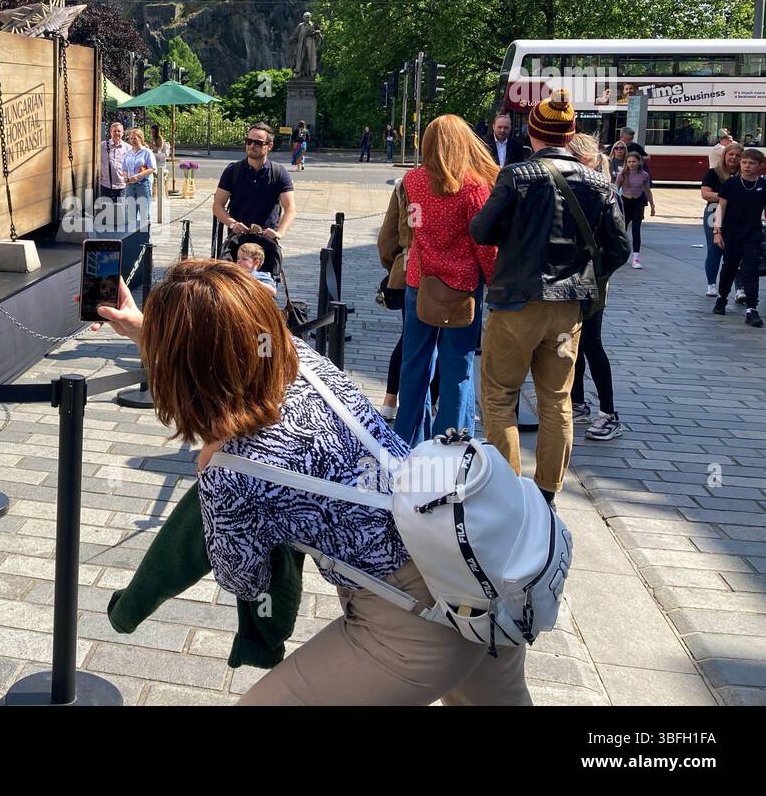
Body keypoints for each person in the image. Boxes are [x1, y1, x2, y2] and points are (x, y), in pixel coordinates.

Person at [92, 259, 531, 706]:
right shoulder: (305, 364)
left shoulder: (229, 471)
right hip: (484, 557)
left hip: (414, 618)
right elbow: (234, 348)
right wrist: (144, 328)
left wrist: (217, 481)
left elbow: (243, 578)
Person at [470, 89, 630, 506]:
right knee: (556, 399)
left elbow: (481, 231)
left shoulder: (517, 176)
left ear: (533, 134)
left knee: (500, 395)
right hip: (567, 312)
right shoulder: (598, 181)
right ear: (572, 132)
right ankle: (547, 492)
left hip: (517, 304)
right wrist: (587, 279)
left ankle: (505, 491)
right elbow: (620, 249)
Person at [394, 115, 499, 449]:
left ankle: (407, 438)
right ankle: (450, 441)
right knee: (458, 369)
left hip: (420, 283)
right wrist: (494, 281)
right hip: (461, 289)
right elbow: (485, 245)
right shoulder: (474, 187)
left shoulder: (412, 181)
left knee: (414, 365)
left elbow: (411, 229)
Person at [565, 134, 625, 441]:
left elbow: (620, 247)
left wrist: (599, 272)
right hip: (571, 279)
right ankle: (577, 402)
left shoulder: (604, 190)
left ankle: (609, 412)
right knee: (572, 343)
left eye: (573, 157)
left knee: (591, 343)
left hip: (592, 280)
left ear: (586, 159)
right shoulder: (575, 186)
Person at [377, 177, 441, 424]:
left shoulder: (407, 182)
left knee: (410, 337)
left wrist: (393, 264)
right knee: (444, 340)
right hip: (452, 274)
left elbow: (387, 237)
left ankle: (390, 400)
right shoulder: (465, 180)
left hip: (408, 268)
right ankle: (432, 404)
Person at [213, 123, 297, 242]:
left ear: (270, 146)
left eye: (258, 143)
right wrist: (233, 224)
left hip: (266, 240)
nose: (252, 145)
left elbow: (290, 208)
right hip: (237, 239)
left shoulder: (278, 172)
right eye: (249, 141)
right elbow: (217, 205)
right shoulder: (233, 170)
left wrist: (279, 232)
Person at [712, 147, 765, 327]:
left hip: (753, 234)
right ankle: (721, 298)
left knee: (750, 271)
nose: (746, 166)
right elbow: (721, 208)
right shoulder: (731, 184)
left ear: (760, 166)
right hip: (731, 234)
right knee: (729, 268)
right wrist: (717, 231)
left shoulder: (763, 186)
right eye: (744, 162)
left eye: (751, 163)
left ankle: (752, 309)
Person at [701, 142, 743, 298]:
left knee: (738, 253)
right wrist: (725, 197)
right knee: (714, 250)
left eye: (738, 156)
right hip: (713, 214)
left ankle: (740, 288)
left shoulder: (744, 174)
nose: (734, 158)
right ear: (724, 155)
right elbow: (705, 193)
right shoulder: (714, 173)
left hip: (737, 216)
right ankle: (712, 285)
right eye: (731, 154)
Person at [614, 152, 655, 268]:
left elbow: (648, 191)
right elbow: (616, 190)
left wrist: (652, 205)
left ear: (639, 162)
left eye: (634, 161)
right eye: (629, 162)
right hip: (625, 202)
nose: (632, 164)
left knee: (636, 230)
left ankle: (636, 258)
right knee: (622, 229)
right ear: (626, 163)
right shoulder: (622, 174)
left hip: (638, 202)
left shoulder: (644, 175)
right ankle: (621, 255)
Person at [123, 127, 156, 216]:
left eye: (135, 138)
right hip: (130, 186)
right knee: (130, 214)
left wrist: (138, 176)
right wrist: (125, 177)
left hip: (143, 185)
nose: (132, 141)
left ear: (140, 139)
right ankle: (132, 230)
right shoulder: (128, 153)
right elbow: (124, 168)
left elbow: (152, 168)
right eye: (131, 138)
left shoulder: (147, 152)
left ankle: (144, 230)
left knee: (144, 214)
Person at [99, 121, 131, 201]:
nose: (117, 133)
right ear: (110, 133)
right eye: (114, 131)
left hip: (122, 186)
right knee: (106, 211)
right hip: (106, 185)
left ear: (122, 133)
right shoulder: (102, 146)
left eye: (119, 131)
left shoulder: (128, 148)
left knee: (120, 211)